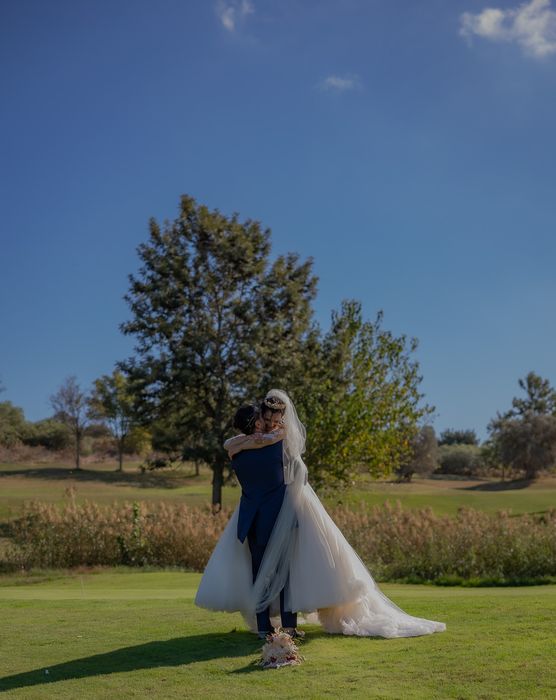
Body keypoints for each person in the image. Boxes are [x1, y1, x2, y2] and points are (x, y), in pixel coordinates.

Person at [195, 389, 447, 639]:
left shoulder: (236, 450)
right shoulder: (276, 441)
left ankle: (264, 628)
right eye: (262, 420)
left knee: (258, 572)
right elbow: (277, 445)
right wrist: (268, 435)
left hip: (250, 517)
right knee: (284, 573)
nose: (267, 424)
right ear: (255, 422)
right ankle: (288, 626)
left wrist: (251, 438)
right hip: (280, 515)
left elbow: (234, 442)